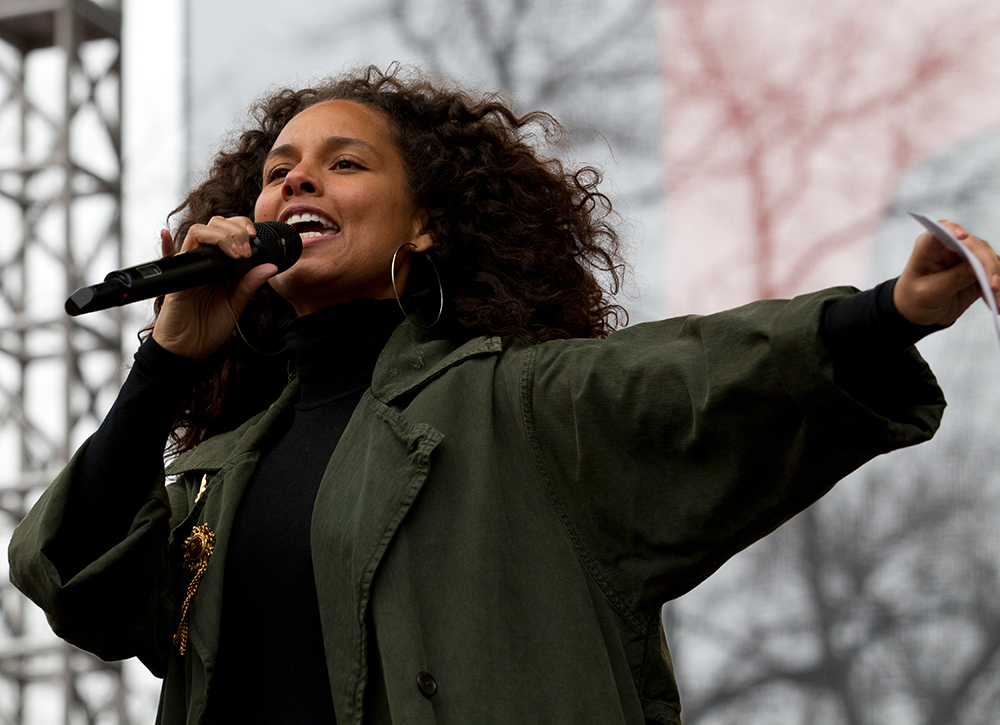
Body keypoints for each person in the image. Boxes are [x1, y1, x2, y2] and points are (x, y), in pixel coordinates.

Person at [8, 64, 999, 725]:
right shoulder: (220, 469)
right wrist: (166, 364)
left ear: (428, 224)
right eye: (277, 173)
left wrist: (890, 313)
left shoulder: (517, 404)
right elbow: (78, 579)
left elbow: (703, 376)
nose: (295, 183)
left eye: (342, 163)